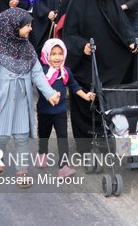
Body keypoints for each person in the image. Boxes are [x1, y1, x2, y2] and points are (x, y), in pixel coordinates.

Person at [0, 8, 60, 188]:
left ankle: (22, 171)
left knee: (22, 137)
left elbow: (38, 74)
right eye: (27, 25)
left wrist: (50, 93)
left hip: (23, 99)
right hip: (3, 100)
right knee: (2, 135)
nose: (30, 29)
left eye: (30, 25)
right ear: (13, 27)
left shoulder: (28, 49)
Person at [63, 0, 138, 153]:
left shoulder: (111, 1)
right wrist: (83, 46)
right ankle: (86, 143)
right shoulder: (79, 5)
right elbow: (70, 35)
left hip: (111, 64)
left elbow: (123, 26)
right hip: (89, 64)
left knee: (115, 99)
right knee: (87, 102)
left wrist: (131, 41)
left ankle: (113, 137)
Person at [36, 38, 95, 178]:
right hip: (44, 111)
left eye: (60, 54)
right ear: (46, 55)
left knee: (62, 137)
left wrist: (86, 96)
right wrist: (51, 95)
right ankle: (42, 154)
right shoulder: (42, 71)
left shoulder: (65, 71)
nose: (57, 57)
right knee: (43, 135)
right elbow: (40, 88)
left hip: (61, 111)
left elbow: (74, 86)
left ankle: (63, 167)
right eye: (53, 54)